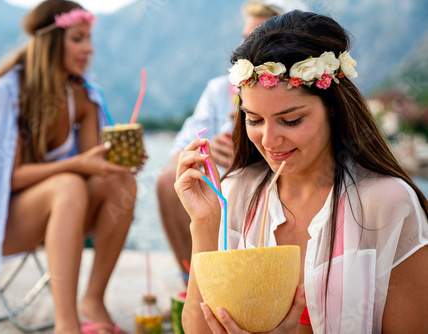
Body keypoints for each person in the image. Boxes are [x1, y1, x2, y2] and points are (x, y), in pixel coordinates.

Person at [175, 10, 428, 334]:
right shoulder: (235, 192)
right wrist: (205, 223)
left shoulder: (386, 204)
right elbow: (199, 329)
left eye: (291, 120)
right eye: (253, 119)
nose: (269, 140)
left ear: (333, 109)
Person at [0, 1, 143, 333]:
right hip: (3, 222)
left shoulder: (81, 95)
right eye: (78, 38)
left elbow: (91, 167)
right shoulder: (10, 92)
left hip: (62, 213)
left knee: (121, 185)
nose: (89, 48)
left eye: (88, 38)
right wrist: (76, 165)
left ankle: (93, 300)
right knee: (68, 184)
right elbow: (6, 179)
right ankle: (66, 325)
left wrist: (119, 165)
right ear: (52, 41)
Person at [157, 0, 282, 276]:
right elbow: (180, 148)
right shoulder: (218, 90)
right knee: (168, 180)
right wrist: (207, 148)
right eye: (245, 37)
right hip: (220, 176)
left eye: (258, 36)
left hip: (273, 173)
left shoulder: (291, 88)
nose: (247, 46)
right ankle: (191, 277)